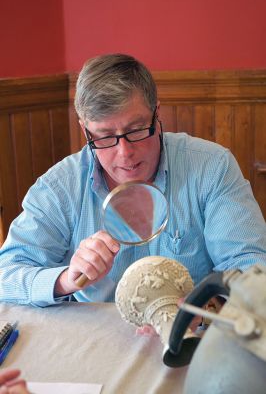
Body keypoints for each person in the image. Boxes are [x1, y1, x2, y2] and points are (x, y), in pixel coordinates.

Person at [0, 53, 265, 308]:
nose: (124, 153)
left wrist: (208, 308)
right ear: (85, 130)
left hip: (190, 332)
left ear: (156, 115)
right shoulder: (60, 187)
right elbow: (6, 276)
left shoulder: (211, 167)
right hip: (98, 338)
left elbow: (250, 265)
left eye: (136, 130)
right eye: (104, 137)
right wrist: (65, 279)